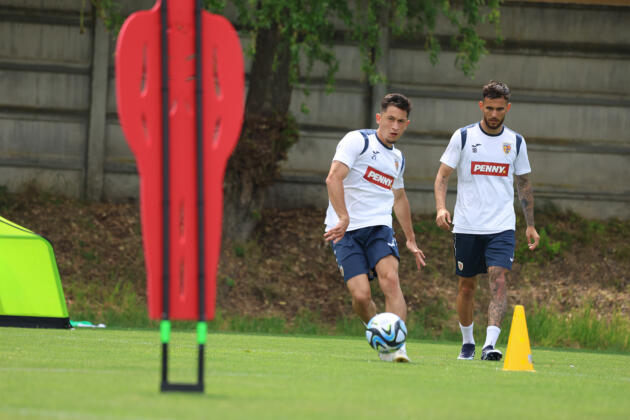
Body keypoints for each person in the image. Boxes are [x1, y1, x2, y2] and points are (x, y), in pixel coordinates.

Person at [433, 81, 540, 361]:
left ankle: (489, 345)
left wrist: (530, 224)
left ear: (508, 108)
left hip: (501, 226)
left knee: (499, 280)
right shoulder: (464, 136)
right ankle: (468, 342)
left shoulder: (516, 142)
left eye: (499, 109)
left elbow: (524, 184)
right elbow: (442, 176)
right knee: (466, 287)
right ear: (481, 106)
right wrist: (441, 208)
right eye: (489, 108)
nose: (494, 114)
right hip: (467, 225)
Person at [324, 93, 426, 363]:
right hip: (344, 230)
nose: (395, 126)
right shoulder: (358, 141)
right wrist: (343, 217)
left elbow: (399, 197)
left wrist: (411, 239)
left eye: (400, 122)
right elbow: (333, 178)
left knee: (390, 279)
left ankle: (398, 346)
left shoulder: (398, 158)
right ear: (379, 118)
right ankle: (381, 335)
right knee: (360, 296)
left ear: (406, 124)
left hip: (379, 227)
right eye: (390, 119)